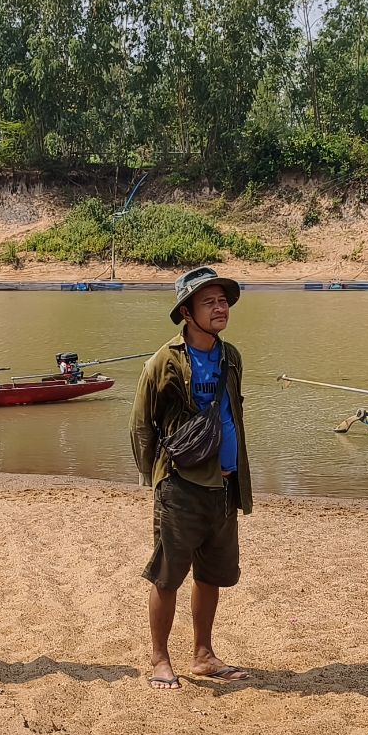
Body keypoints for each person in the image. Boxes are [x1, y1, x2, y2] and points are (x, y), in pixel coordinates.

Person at [131, 265, 253, 690]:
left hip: (225, 486)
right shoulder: (163, 362)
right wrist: (158, 478)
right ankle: (160, 658)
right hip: (180, 488)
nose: (220, 308)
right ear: (186, 312)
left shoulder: (231, 356)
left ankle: (203, 655)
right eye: (209, 302)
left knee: (211, 574)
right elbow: (141, 425)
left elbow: (233, 413)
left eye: (223, 301)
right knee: (167, 575)